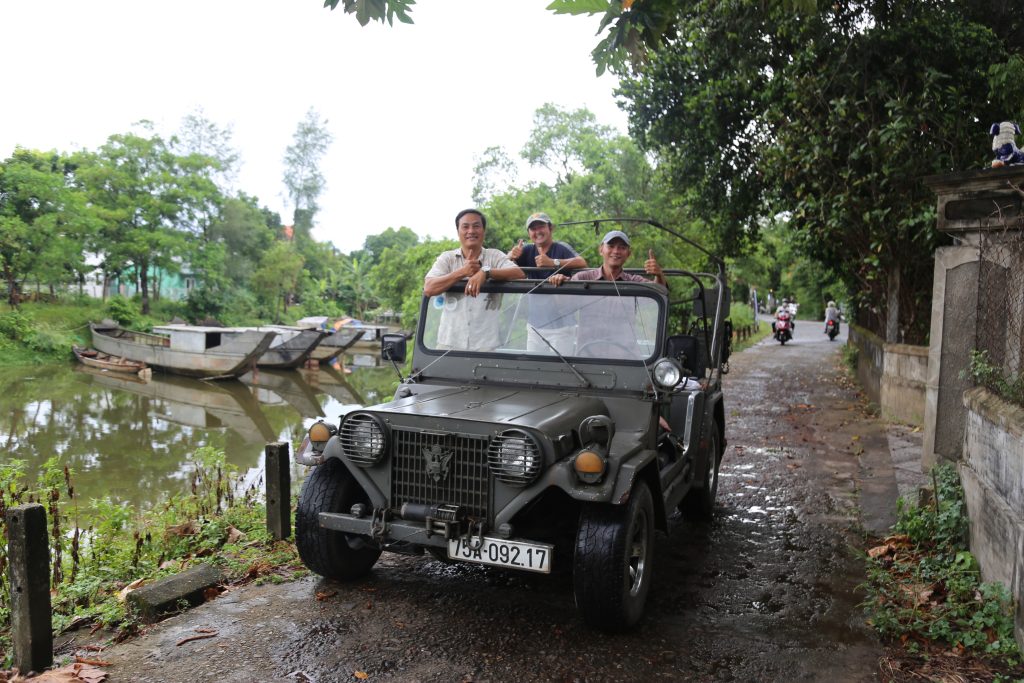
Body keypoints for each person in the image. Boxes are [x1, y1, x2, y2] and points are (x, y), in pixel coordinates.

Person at [549, 230, 666, 358]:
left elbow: (659, 293)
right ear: (601, 249)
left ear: (628, 254)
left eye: (622, 247)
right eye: (611, 246)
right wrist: (558, 282)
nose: (616, 251)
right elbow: (563, 306)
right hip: (587, 357)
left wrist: (659, 275)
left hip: (626, 359)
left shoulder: (634, 282)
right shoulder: (583, 278)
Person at [423, 208, 525, 351]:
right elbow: (429, 288)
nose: (471, 231)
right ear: (458, 231)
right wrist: (462, 272)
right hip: (449, 344)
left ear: (484, 231)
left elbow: (519, 274)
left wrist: (486, 272)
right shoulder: (447, 258)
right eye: (465, 227)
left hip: (486, 346)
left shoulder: (495, 256)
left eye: (476, 226)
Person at [507, 212, 587, 354]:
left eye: (541, 227)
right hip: (534, 326)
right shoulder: (527, 250)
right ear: (529, 233)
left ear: (551, 228)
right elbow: (506, 267)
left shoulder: (561, 248)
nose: (538, 231)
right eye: (533, 229)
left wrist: (553, 262)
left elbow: (582, 263)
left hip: (562, 327)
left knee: (560, 367)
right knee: (535, 365)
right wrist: (511, 256)